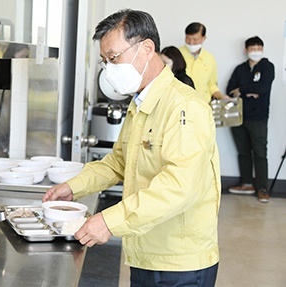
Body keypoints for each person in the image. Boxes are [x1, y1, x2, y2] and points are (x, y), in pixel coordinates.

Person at [43, 9, 221, 286]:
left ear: (147, 48)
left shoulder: (185, 106)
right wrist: (74, 186)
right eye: (105, 61)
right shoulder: (140, 103)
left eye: (114, 58)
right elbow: (119, 162)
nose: (109, 69)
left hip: (179, 261)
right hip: (144, 251)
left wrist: (109, 221)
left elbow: (179, 186)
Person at [226, 36, 275, 203]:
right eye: (252, 48)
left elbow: (263, 88)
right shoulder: (240, 69)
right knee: (243, 152)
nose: (255, 51)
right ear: (246, 50)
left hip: (258, 117)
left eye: (258, 48)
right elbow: (230, 89)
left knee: (260, 153)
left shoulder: (267, 67)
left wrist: (242, 89)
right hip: (238, 117)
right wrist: (249, 92)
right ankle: (246, 183)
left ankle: (262, 188)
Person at [180, 22, 230, 103]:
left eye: (195, 39)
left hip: (203, 105)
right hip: (181, 104)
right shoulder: (176, 55)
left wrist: (221, 96)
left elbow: (212, 85)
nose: (191, 42)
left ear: (204, 38)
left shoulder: (210, 59)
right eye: (188, 38)